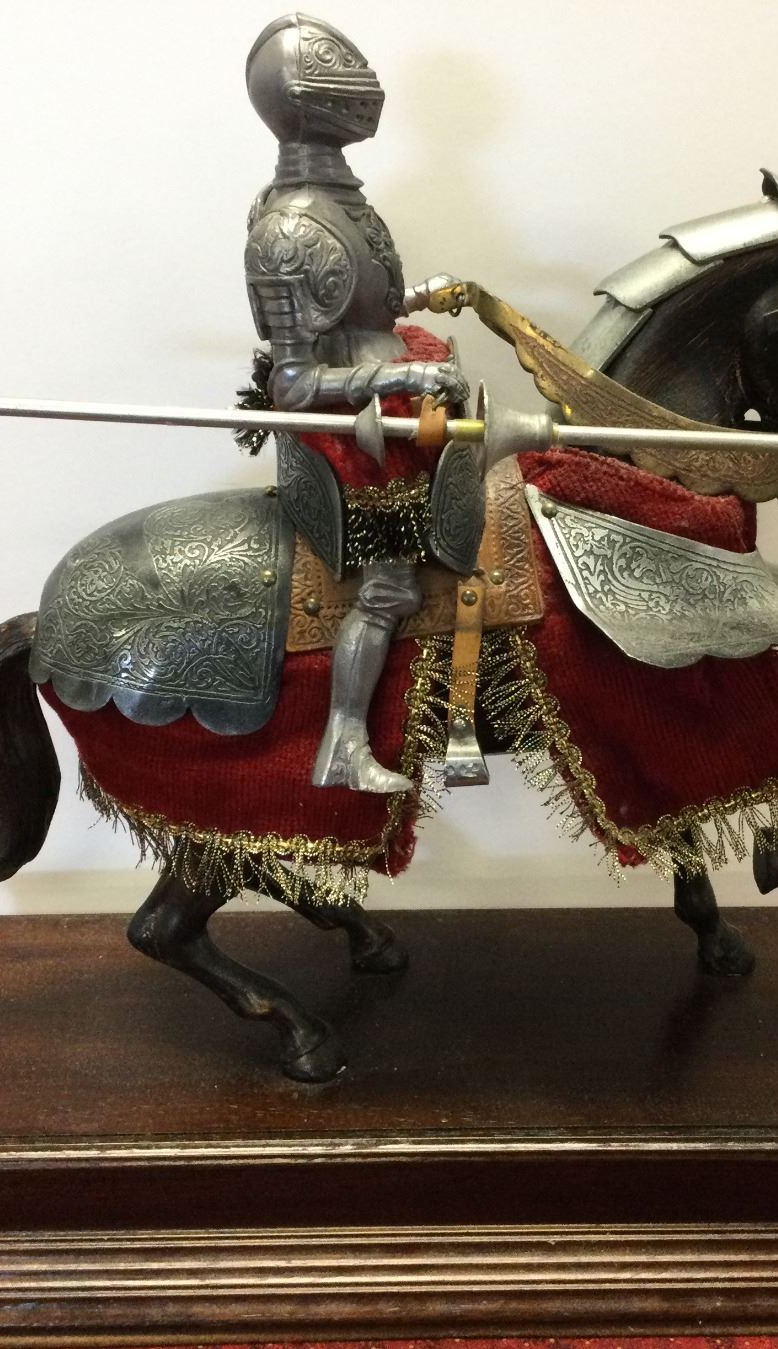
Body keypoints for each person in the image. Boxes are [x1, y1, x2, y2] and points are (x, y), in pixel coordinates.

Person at [243, 14, 468, 793]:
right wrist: (397, 382)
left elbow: (364, 309)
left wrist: (420, 297)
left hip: (394, 391)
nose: (362, 92)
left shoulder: (341, 205)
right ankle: (342, 742)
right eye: (340, 80)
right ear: (301, 100)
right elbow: (292, 384)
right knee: (391, 585)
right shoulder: (288, 228)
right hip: (351, 431)